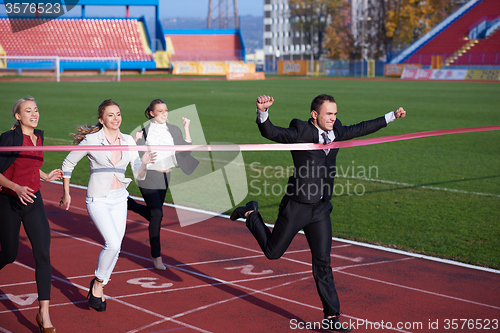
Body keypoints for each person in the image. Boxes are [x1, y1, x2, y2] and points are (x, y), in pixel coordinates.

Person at [231, 94, 406, 332]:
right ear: (315, 115)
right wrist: (263, 113)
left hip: (321, 208)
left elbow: (362, 128)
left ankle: (332, 317)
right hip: (297, 206)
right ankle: (251, 214)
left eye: (335, 114)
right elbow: (272, 133)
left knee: (323, 262)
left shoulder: (337, 130)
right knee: (273, 253)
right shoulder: (300, 130)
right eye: (328, 114)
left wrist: (391, 117)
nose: (333, 118)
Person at [59, 99, 154, 312]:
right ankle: (98, 283)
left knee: (117, 246)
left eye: (118, 114)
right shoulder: (92, 140)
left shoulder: (128, 140)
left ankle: (98, 285)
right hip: (98, 199)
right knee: (112, 243)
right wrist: (66, 193)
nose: (116, 118)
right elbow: (68, 163)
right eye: (110, 115)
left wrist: (145, 162)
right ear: (102, 120)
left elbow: (139, 174)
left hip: (120, 198)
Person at [0, 97, 63, 333]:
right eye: (28, 111)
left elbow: (31, 165)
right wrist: (16, 188)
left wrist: (44, 176)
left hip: (33, 201)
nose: (34, 114)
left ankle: (43, 314)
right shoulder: (10, 138)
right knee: (8, 254)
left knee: (43, 256)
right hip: (9, 201)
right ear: (18, 116)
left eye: (36, 109)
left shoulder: (39, 137)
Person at [127, 99, 199, 270]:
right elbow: (135, 157)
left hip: (166, 176)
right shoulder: (143, 132)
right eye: (160, 111)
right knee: (157, 214)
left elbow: (186, 151)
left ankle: (130, 204)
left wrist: (187, 128)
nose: (164, 113)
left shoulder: (173, 129)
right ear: (152, 113)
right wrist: (134, 141)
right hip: (148, 176)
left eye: (166, 110)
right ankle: (156, 256)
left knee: (154, 214)